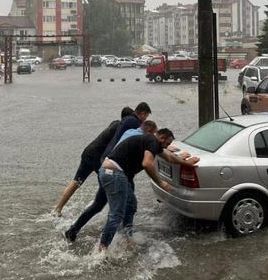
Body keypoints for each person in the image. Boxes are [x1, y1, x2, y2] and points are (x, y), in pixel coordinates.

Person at [98, 128, 199, 251]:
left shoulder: (151, 142)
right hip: (113, 173)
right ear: (161, 138)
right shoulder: (152, 140)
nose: (167, 146)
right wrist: (161, 183)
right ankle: (102, 248)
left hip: (114, 173)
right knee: (117, 214)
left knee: (131, 205)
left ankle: (126, 237)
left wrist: (186, 163)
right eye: (167, 143)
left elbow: (170, 158)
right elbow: (147, 163)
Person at [63, 102, 152, 241]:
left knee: (99, 205)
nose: (144, 120)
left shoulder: (126, 122)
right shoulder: (134, 123)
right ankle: (125, 237)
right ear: (142, 114)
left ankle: (73, 230)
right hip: (116, 171)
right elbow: (146, 143)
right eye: (145, 117)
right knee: (129, 204)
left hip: (105, 166)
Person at [53, 106, 134, 216]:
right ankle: (113, 212)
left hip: (88, 152)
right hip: (97, 158)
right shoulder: (120, 129)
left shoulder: (115, 123)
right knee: (109, 184)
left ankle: (57, 209)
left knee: (76, 182)